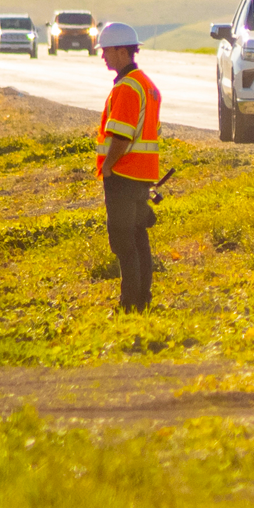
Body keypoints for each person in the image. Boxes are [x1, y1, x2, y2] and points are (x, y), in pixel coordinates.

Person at [94, 21, 162, 311]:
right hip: (142, 175)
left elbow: (121, 135)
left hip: (123, 174)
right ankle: (142, 299)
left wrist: (108, 166)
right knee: (138, 238)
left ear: (122, 51)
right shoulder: (146, 85)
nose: (103, 56)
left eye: (106, 50)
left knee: (123, 242)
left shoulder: (126, 88)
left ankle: (130, 303)